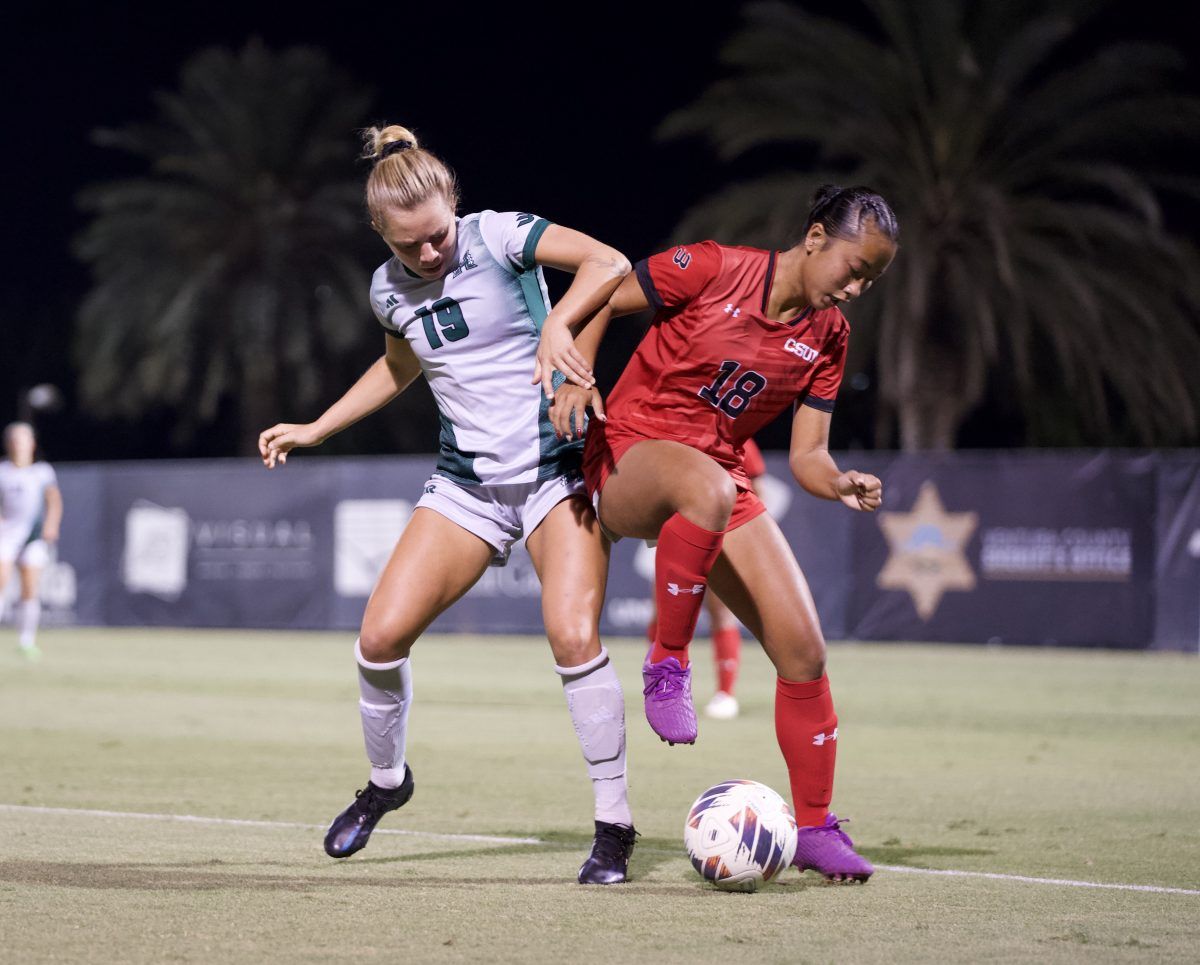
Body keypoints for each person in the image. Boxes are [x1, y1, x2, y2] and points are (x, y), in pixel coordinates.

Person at [258, 124, 638, 884]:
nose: (429, 255)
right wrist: (317, 426)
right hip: (465, 483)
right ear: (381, 234)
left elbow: (611, 263)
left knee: (570, 635)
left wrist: (559, 325)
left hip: (553, 467)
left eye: (436, 237)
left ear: (453, 205)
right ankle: (388, 783)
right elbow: (400, 367)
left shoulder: (497, 236)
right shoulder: (385, 289)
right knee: (377, 640)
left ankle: (614, 826)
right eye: (410, 247)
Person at [540, 185, 898, 882]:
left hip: (718, 479)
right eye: (854, 267)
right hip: (629, 457)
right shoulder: (710, 266)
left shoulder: (829, 334)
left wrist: (839, 482)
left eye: (871, 279)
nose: (857, 287)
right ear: (816, 237)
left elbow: (807, 456)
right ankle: (667, 661)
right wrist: (575, 379)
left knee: (804, 649)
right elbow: (607, 292)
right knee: (705, 483)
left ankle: (816, 827)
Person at [642, 437, 769, 720]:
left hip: (722, 535)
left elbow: (757, 488)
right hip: (678, 534)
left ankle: (725, 693)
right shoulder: (675, 434)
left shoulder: (737, 435)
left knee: (721, 613)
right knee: (661, 612)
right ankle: (660, 684)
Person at [0, 422, 62, 660]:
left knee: (29, 588)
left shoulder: (42, 472)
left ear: (32, 444)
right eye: (15, 440)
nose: (19, 444)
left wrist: (51, 524)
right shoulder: (3, 471)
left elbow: (54, 500)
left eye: (23, 439)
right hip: (6, 536)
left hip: (32, 538)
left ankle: (26, 641)